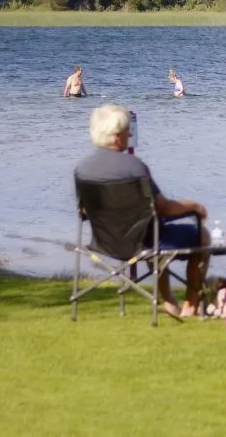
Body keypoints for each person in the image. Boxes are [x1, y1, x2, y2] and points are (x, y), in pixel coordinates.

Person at [74, 103, 210, 319]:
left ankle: (168, 299)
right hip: (143, 242)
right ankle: (191, 304)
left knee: (151, 231)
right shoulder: (134, 167)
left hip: (104, 242)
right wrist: (194, 206)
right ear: (117, 137)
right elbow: (163, 208)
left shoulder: (83, 169)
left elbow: (83, 211)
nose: (130, 134)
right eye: (127, 130)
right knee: (202, 235)